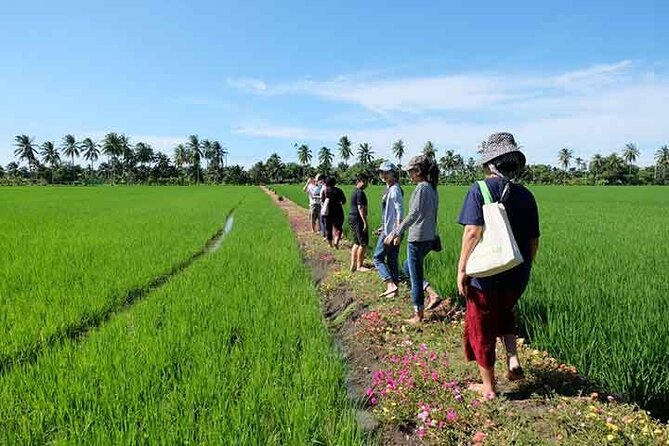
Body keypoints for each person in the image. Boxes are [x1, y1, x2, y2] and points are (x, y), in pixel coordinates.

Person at [456, 132, 540, 399]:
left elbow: (472, 232)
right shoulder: (526, 195)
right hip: (517, 274)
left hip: (485, 276)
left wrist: (461, 269)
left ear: (489, 163)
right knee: (505, 311)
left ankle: (489, 388)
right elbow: (533, 241)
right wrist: (523, 269)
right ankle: (513, 358)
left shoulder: (479, 189)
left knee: (481, 326)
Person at [385, 155, 441, 324]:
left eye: (410, 171)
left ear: (418, 171)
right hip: (429, 237)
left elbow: (413, 214)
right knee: (407, 266)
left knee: (415, 276)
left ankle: (418, 314)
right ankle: (432, 293)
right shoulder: (432, 188)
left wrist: (396, 232)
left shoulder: (421, 188)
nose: (409, 175)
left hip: (417, 238)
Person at [374, 162, 403, 296]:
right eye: (381, 172)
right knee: (392, 260)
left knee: (377, 258)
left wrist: (396, 233)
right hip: (389, 229)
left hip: (391, 232)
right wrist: (383, 226)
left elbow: (399, 213)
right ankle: (395, 290)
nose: (383, 175)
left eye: (386, 172)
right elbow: (389, 212)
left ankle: (389, 284)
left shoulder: (395, 190)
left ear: (393, 173)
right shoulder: (390, 188)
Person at [349, 175, 370, 272]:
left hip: (352, 218)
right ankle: (359, 266)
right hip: (358, 219)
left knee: (356, 242)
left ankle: (353, 265)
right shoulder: (360, 193)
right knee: (363, 243)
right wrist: (365, 222)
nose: (367, 184)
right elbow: (360, 207)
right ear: (361, 181)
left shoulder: (354, 191)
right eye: (366, 181)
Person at [321, 176, 346, 248]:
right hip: (338, 211)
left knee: (328, 228)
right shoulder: (339, 190)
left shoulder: (325, 191)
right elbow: (343, 201)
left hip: (327, 212)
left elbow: (323, 201)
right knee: (339, 227)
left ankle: (330, 244)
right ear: (335, 182)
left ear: (326, 182)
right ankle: (336, 241)